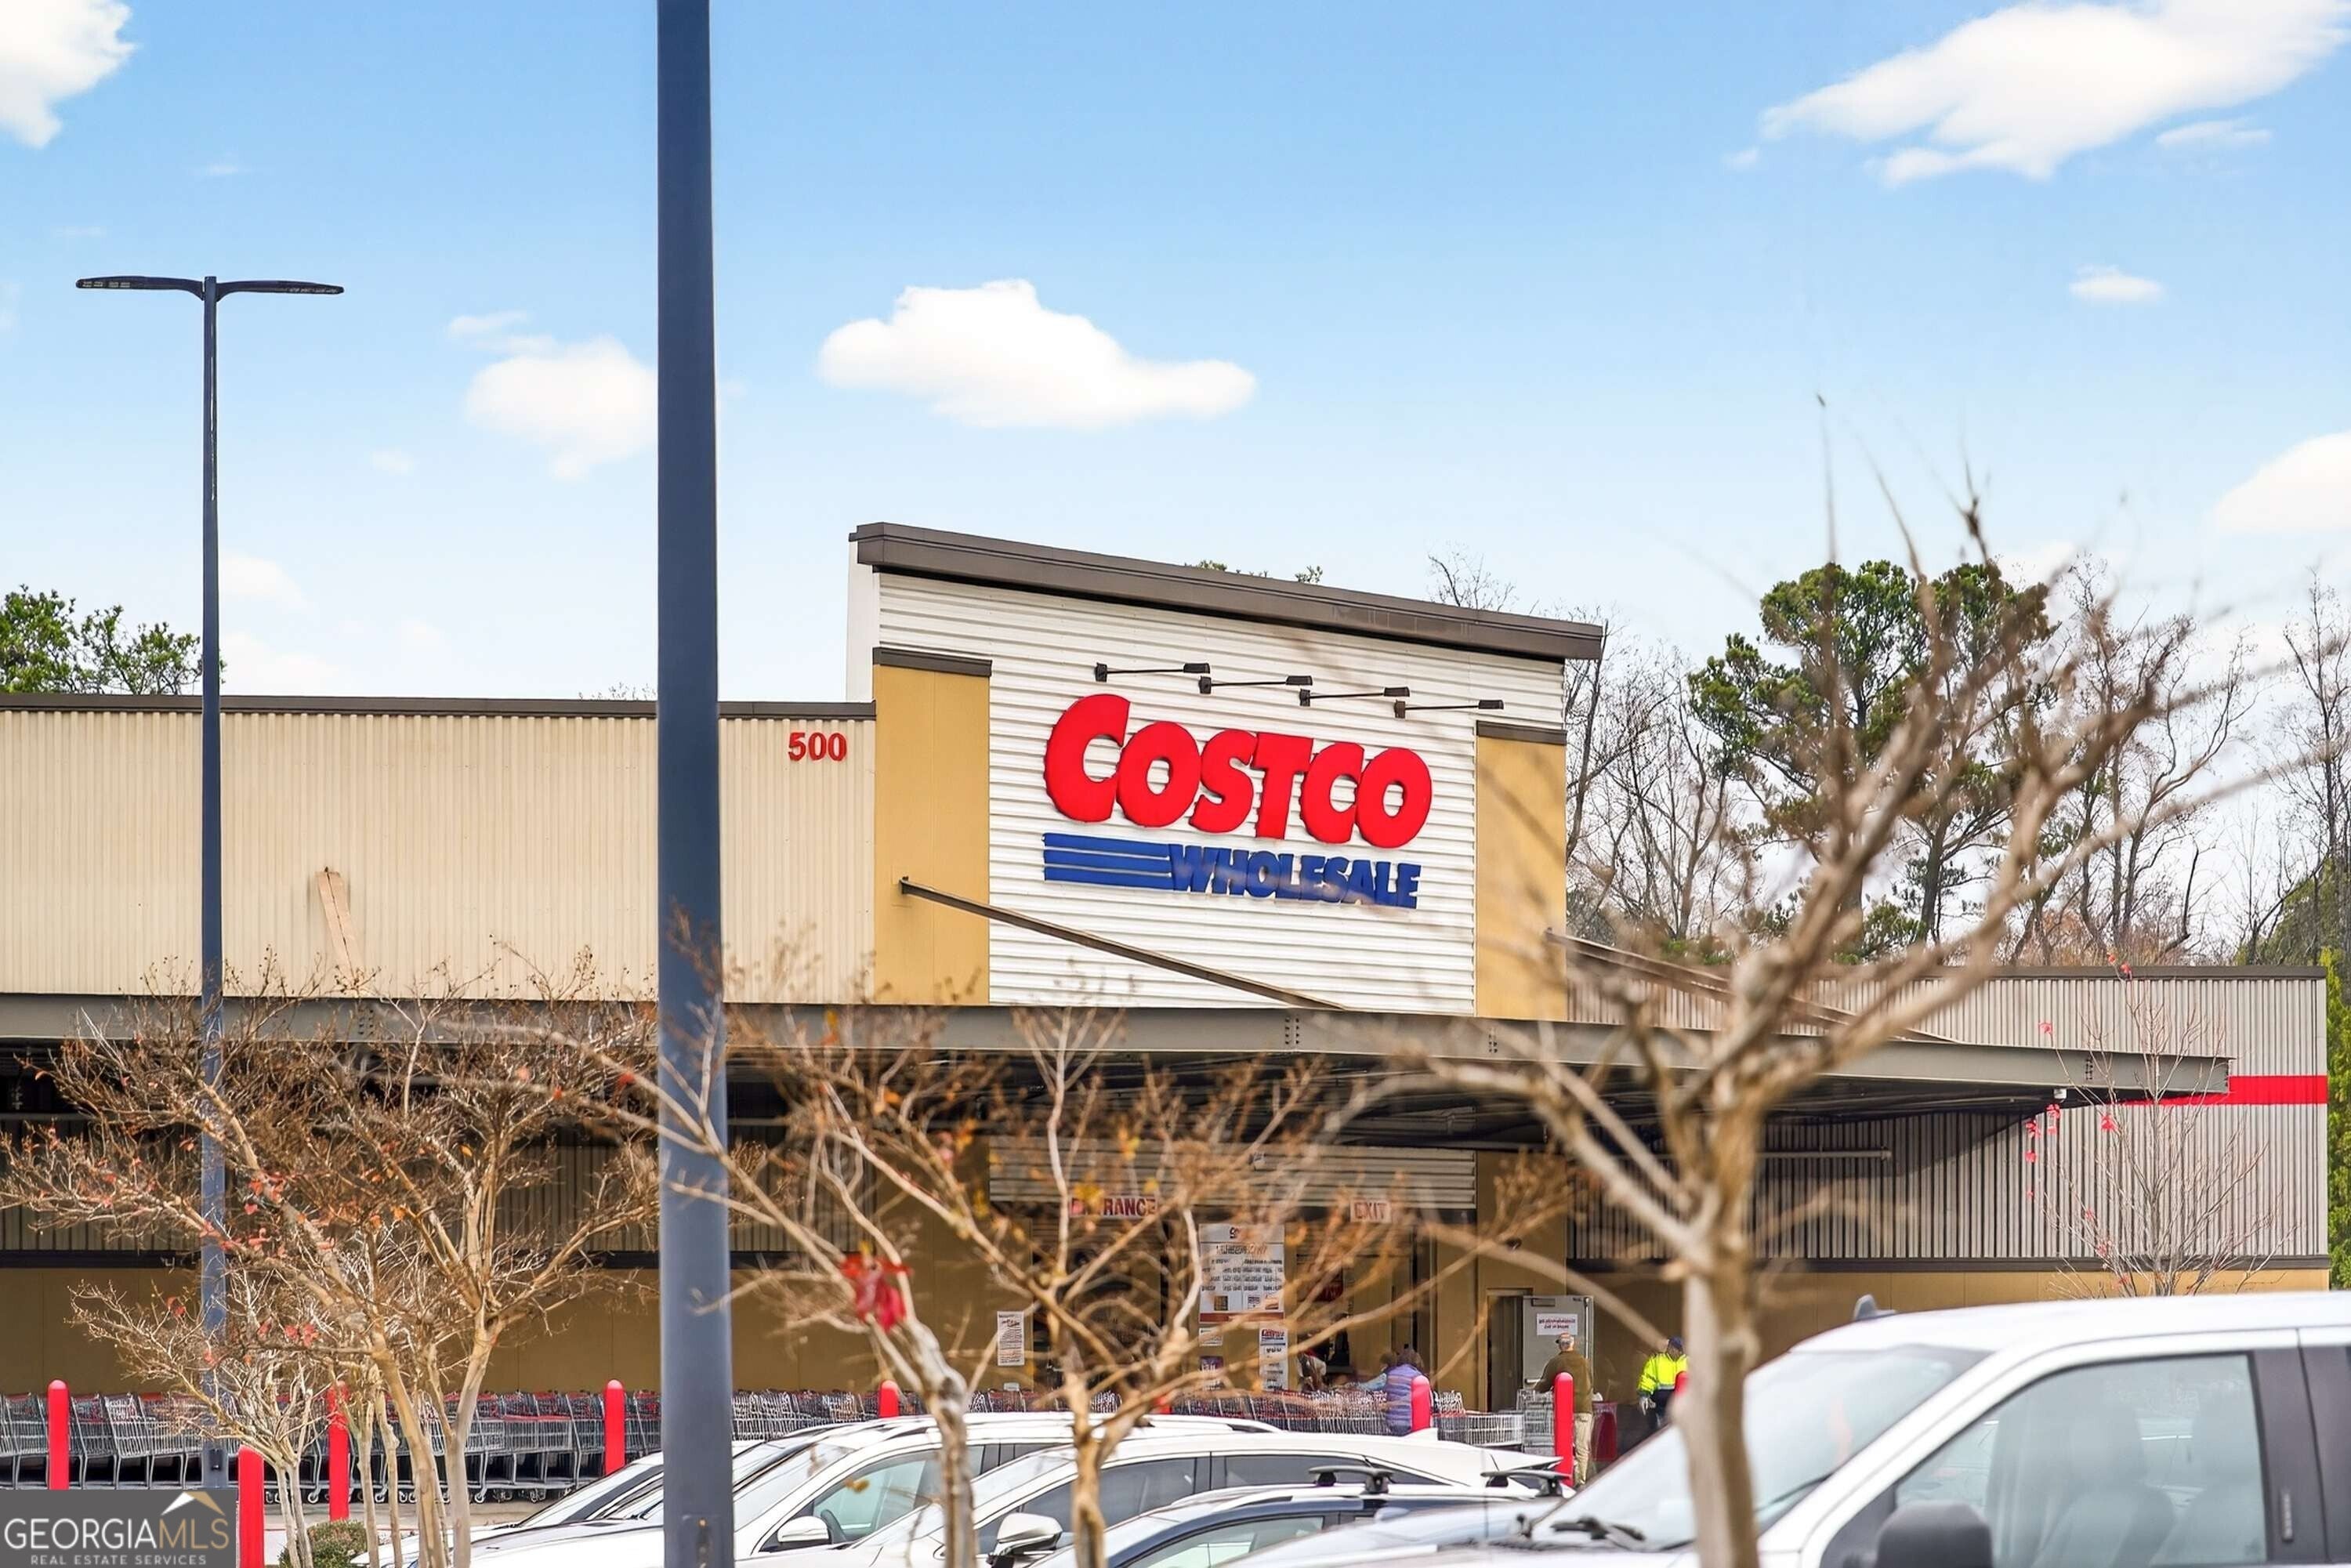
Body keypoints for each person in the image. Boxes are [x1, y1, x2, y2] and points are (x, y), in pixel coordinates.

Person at [1535, 1331, 1596, 1483]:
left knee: (1565, 1445)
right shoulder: (1585, 1362)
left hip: (1565, 1410)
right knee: (1582, 1447)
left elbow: (1544, 1385)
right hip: (1584, 1408)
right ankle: (1580, 1480)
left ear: (1560, 1346)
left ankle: (1566, 1477)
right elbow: (1591, 1382)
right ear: (1573, 1344)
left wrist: (1534, 1390)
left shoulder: (1556, 1362)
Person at [1637, 1335, 1689, 1436]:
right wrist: (1644, 1395)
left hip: (1682, 1407)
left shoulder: (1688, 1362)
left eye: (1679, 1349)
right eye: (1673, 1348)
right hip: (1660, 1406)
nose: (1675, 1351)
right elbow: (1648, 1378)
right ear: (1669, 1347)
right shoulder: (1657, 1361)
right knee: (1659, 1433)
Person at [1382, 1345, 1423, 1435]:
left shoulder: (1391, 1374)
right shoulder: (1417, 1376)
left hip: (1391, 1420)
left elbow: (1384, 1390)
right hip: (1407, 1419)